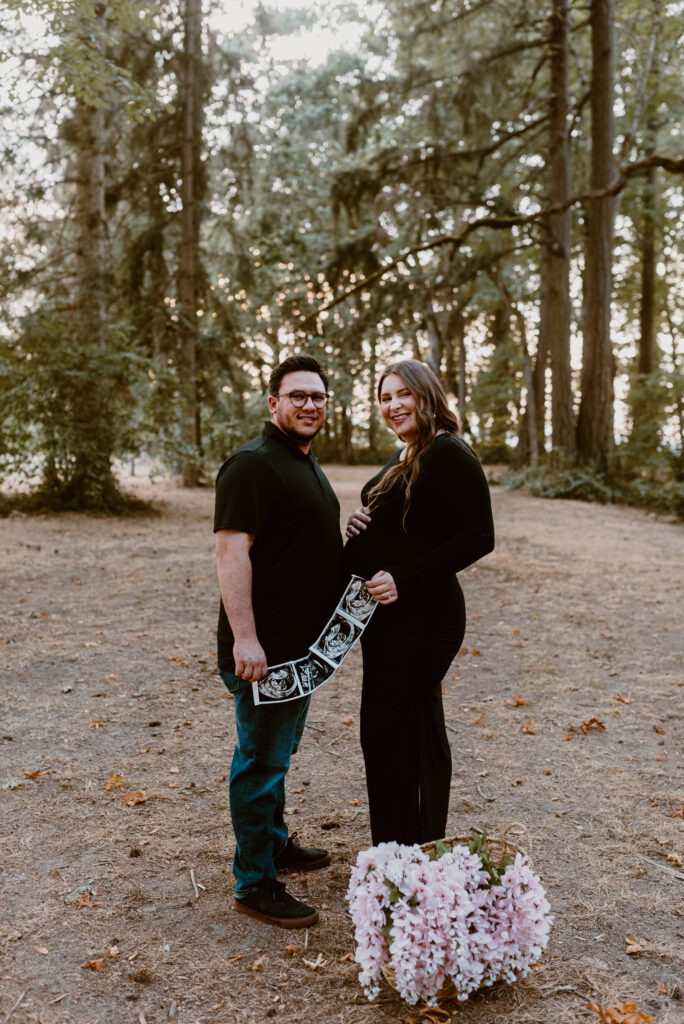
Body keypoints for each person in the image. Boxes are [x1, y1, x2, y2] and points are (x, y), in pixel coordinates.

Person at [214, 355, 343, 928]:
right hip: (263, 655)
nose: (310, 405)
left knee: (278, 754)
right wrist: (246, 638)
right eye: (298, 396)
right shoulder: (252, 464)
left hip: (301, 653)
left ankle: (274, 843)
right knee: (261, 761)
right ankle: (254, 882)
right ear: (274, 403)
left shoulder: (303, 461)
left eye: (318, 396)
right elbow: (230, 553)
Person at [344, 360, 494, 847]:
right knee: (390, 733)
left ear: (427, 396)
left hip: (424, 619)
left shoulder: (449, 452)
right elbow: (412, 529)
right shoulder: (408, 452)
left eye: (402, 394)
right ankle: (407, 848)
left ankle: (407, 850)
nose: (393, 405)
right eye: (385, 398)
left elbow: (479, 536)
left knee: (395, 733)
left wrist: (403, 578)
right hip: (388, 620)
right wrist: (360, 525)